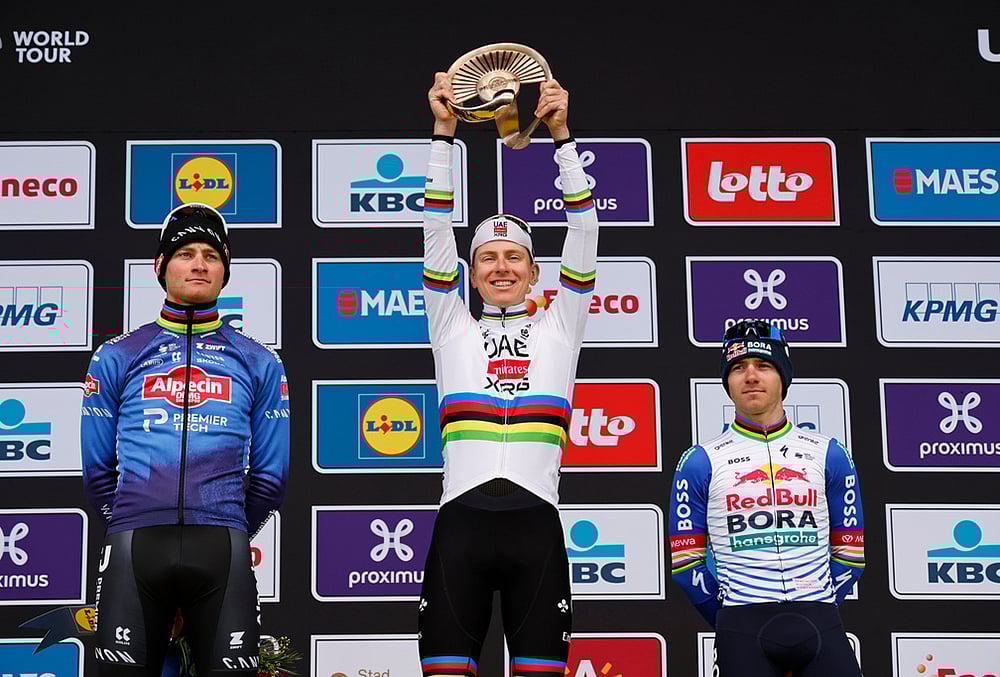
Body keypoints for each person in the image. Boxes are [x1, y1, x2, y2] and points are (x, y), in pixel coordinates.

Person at [417, 72, 598, 677]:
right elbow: (435, 231)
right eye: (487, 258)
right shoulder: (452, 326)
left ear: (534, 270)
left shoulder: (559, 327)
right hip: (460, 524)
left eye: (513, 256)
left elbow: (584, 231)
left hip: (536, 527)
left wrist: (562, 137)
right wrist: (444, 133)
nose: (500, 267)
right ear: (469, 274)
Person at [81, 203, 289, 676]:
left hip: (219, 549)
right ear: (159, 266)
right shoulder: (117, 355)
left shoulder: (259, 361)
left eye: (211, 255)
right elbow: (96, 471)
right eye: (185, 253)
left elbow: (271, 478)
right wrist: (134, 520)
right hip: (137, 545)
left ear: (225, 270)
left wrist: (226, 523)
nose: (199, 263)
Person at [669, 320, 864, 676]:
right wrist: (729, 615)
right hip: (741, 625)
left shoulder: (830, 453)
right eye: (739, 368)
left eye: (764, 366)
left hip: (819, 617)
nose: (751, 376)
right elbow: (686, 564)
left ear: (783, 377)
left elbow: (851, 552)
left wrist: (819, 602)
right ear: (727, 382)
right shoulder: (700, 460)